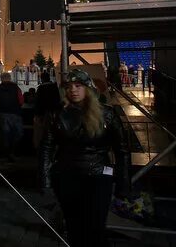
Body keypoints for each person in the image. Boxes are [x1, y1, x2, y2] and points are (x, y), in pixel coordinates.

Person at [40, 70, 130, 247]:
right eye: (68, 87)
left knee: (95, 227)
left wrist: (123, 184)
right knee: (74, 227)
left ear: (87, 88)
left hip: (98, 177)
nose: (73, 90)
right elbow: (46, 148)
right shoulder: (56, 115)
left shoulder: (107, 114)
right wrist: (45, 181)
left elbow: (122, 150)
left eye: (78, 86)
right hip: (67, 177)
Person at [0, 72, 24, 161]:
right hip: (16, 113)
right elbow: (21, 101)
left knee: (6, 134)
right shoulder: (16, 88)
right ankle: (14, 151)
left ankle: (8, 153)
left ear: (1, 79)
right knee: (18, 133)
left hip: (4, 114)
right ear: (10, 78)